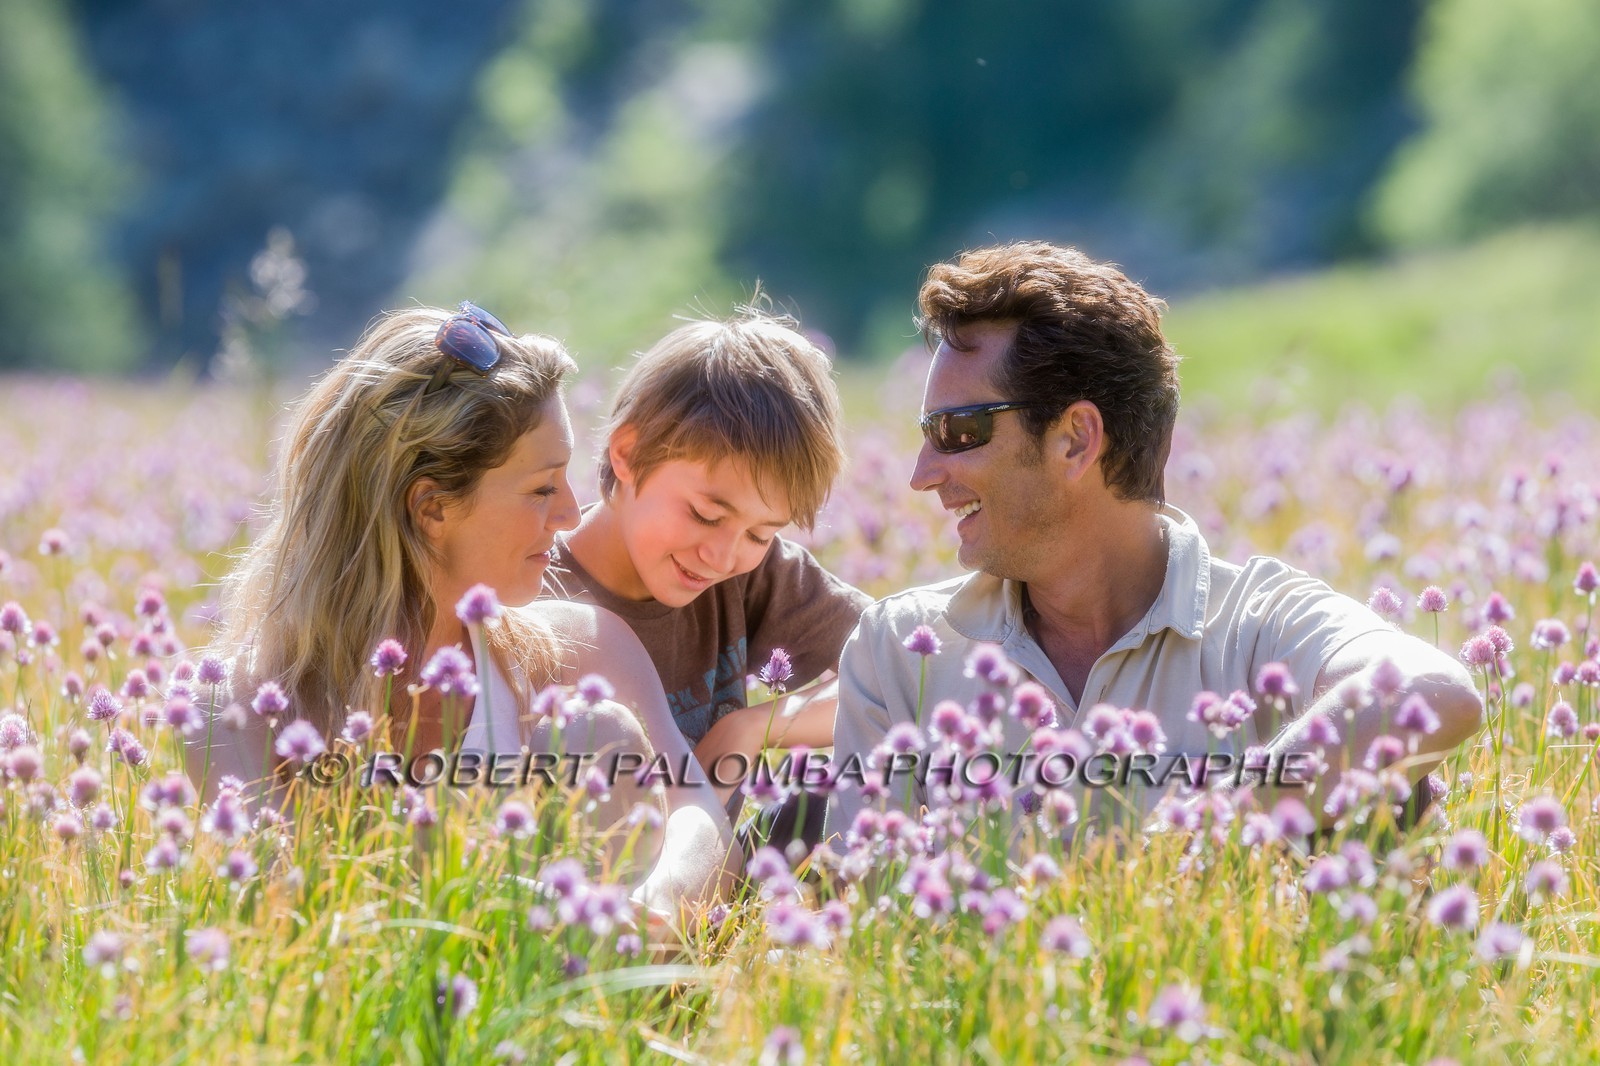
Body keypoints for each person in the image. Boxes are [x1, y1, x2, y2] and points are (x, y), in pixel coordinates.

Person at [826, 241, 1484, 840]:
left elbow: (1435, 689)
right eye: (927, 432)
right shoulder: (898, 652)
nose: (922, 474)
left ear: (1076, 439)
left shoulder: (1258, 623)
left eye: (957, 431)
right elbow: (859, 903)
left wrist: (1197, 845)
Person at [186, 303, 739, 914]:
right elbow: (283, 911)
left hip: (595, 969)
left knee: (597, 734)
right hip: (396, 971)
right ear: (432, 508)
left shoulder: (583, 651)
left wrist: (651, 906)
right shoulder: (237, 705)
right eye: (542, 488)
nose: (568, 514)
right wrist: (508, 906)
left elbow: (700, 819)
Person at [540, 311, 870, 840]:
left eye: (760, 534)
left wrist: (752, 727)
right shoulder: (535, 594)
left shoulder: (751, 577)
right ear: (629, 454)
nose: (721, 556)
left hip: (717, 873)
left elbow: (904, 666)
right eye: (705, 515)